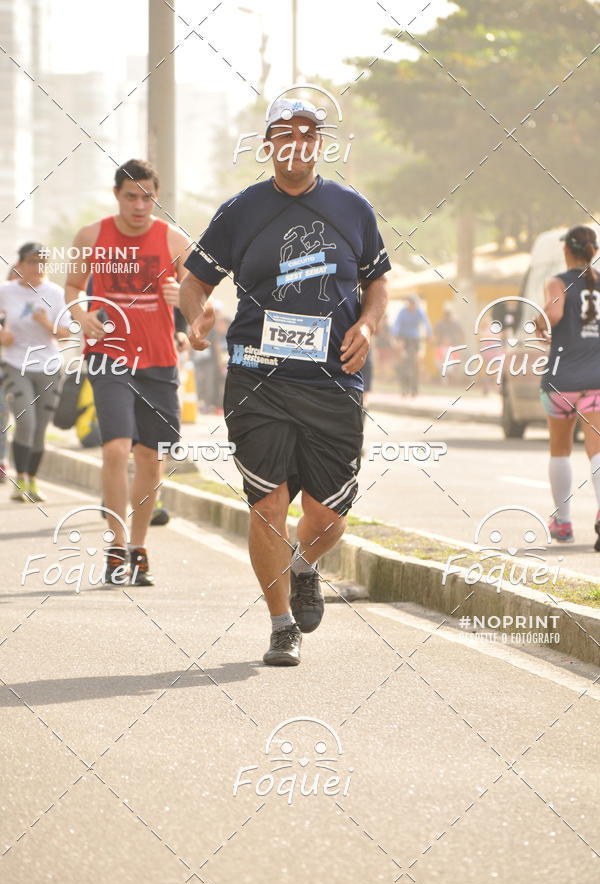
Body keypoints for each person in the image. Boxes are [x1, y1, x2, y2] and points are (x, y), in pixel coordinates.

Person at [180, 97, 390, 666]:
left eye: (308, 133)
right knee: (267, 506)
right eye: (283, 133)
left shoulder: (352, 208)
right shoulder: (240, 211)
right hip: (257, 380)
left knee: (328, 520)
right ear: (267, 143)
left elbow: (377, 285)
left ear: (319, 143)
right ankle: (280, 627)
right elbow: (194, 280)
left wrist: (368, 326)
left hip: (333, 382)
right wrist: (196, 313)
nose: (296, 142)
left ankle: (303, 567)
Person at [65, 159, 190, 585]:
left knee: (150, 458)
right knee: (116, 449)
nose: (140, 205)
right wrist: (81, 315)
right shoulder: (91, 236)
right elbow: (72, 289)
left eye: (148, 197)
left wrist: (181, 297)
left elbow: (197, 300)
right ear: (117, 195)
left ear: (157, 197)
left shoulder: (173, 240)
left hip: (158, 360)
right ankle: (116, 548)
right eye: (131, 196)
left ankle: (139, 548)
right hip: (109, 354)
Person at [538, 225, 600, 547]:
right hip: (597, 382)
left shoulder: (558, 282)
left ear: (566, 251)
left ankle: (562, 523)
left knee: (560, 450)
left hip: (561, 381)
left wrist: (538, 323)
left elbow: (553, 315)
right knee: (597, 450)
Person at [0, 242, 71, 501]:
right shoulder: (6, 291)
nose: (38, 267)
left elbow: (66, 334)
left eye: (42, 262)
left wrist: (46, 323)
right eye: (32, 262)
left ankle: (32, 480)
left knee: (40, 427)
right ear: (19, 265)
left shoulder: (55, 292)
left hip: (49, 366)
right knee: (25, 422)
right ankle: (20, 481)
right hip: (16, 364)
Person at [391, 294, 432, 396]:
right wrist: (395, 335)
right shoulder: (402, 312)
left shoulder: (419, 312)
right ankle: (404, 388)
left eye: (414, 304)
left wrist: (429, 334)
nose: (411, 306)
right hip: (403, 339)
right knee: (403, 363)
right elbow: (396, 324)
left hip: (415, 339)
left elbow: (426, 323)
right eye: (410, 303)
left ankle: (415, 389)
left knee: (416, 363)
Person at [433, 303, 464, 384]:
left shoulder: (455, 323)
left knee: (454, 365)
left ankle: (454, 380)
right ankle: (445, 380)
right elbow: (435, 334)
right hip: (441, 347)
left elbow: (461, 333)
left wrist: (460, 343)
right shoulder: (440, 324)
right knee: (442, 364)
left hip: (453, 347)